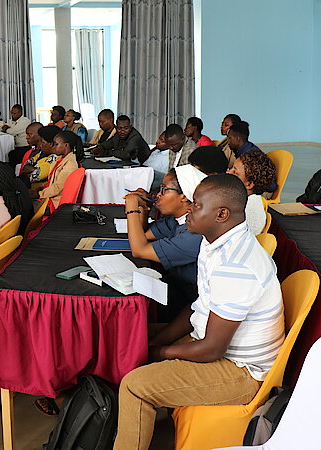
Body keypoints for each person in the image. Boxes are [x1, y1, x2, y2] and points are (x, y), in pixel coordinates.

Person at [114, 174, 284, 450]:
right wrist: (156, 340)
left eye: (196, 205)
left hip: (240, 371)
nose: (189, 210)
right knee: (131, 337)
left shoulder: (235, 265)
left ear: (221, 214)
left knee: (135, 386)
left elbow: (212, 349)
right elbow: (198, 307)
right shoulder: (214, 241)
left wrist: (160, 352)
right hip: (211, 343)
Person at [125, 165, 206, 321]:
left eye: (164, 190)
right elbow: (143, 235)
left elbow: (139, 250)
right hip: (175, 288)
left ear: (184, 196)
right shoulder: (176, 220)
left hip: (189, 302)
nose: (158, 195)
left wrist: (132, 209)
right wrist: (144, 208)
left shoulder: (194, 234)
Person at [228, 149, 277, 235]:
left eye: (235, 172)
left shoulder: (249, 212)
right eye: (231, 168)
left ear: (249, 184)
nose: (228, 172)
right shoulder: (240, 200)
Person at [39, 130, 80, 208]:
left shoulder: (70, 165)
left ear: (66, 145)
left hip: (54, 202)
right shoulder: (58, 159)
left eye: (56, 144)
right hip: (48, 196)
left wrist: (40, 194)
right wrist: (41, 188)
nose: (53, 147)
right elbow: (52, 181)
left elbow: (57, 188)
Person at [25, 124, 59, 192]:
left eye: (42, 142)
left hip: (41, 193)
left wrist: (31, 169)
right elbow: (26, 164)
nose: (40, 145)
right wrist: (34, 169)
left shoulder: (54, 158)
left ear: (51, 144)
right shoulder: (42, 153)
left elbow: (35, 177)